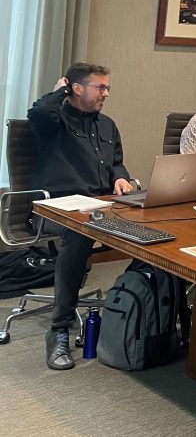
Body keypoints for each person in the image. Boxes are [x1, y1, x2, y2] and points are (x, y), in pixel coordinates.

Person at [27, 63, 134, 370]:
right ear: (77, 88)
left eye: (107, 87)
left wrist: (120, 178)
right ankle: (58, 329)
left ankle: (136, 312)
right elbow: (38, 111)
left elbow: (117, 162)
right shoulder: (53, 120)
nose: (106, 93)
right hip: (55, 209)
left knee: (156, 224)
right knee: (80, 231)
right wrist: (61, 88)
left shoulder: (107, 125)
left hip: (100, 206)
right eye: (100, 87)